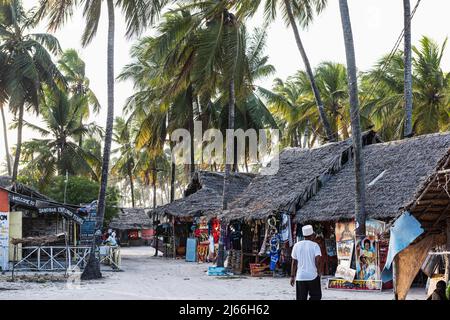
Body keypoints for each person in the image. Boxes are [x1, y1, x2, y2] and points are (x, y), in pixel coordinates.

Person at [290, 225, 322, 300]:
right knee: (316, 296)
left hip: (300, 276)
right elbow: (318, 261)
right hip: (312, 276)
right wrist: (319, 272)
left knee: (301, 298)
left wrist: (292, 276)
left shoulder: (296, 245)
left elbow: (294, 262)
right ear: (312, 235)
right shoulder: (315, 245)